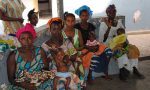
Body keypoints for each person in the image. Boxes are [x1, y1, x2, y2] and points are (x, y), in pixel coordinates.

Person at [7, 24, 53, 90]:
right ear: (19, 40)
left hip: (39, 82)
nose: (27, 41)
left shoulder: (40, 51)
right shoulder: (13, 55)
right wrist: (23, 85)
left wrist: (38, 79)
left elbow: (46, 69)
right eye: (23, 38)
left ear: (33, 39)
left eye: (29, 38)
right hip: (21, 85)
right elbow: (11, 79)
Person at [41, 17, 81, 89]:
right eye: (54, 29)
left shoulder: (66, 42)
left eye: (59, 29)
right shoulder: (44, 46)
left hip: (68, 69)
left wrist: (67, 58)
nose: (57, 32)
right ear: (50, 30)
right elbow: (44, 64)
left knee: (72, 83)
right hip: (53, 72)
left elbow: (74, 55)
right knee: (59, 85)